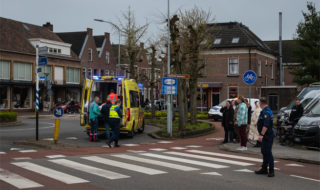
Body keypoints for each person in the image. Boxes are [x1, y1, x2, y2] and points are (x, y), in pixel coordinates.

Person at [255, 97, 275, 177]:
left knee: (268, 152)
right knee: (264, 151)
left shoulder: (266, 112)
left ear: (261, 103)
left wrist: (261, 135)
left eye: (259, 103)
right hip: (266, 136)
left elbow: (266, 125)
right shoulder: (265, 111)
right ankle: (264, 168)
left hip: (267, 136)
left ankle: (271, 170)